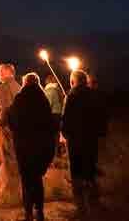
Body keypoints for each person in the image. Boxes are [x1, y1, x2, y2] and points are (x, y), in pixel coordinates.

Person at [8, 73, 56, 221]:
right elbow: (49, 123)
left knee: (26, 179)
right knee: (36, 178)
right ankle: (39, 210)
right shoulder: (43, 100)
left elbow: (12, 121)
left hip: (23, 146)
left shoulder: (19, 99)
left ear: (25, 83)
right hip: (39, 146)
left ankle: (28, 211)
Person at [62, 70, 100, 215]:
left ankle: (80, 207)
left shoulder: (71, 96)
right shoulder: (94, 95)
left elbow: (66, 119)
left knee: (76, 172)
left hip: (76, 140)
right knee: (90, 169)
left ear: (73, 81)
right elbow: (101, 115)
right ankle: (94, 201)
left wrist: (64, 134)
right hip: (91, 139)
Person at [0, 63, 21, 204]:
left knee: (5, 161)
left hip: (6, 128)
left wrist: (0, 121)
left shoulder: (4, 87)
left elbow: (5, 108)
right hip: (17, 128)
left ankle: (8, 194)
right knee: (15, 159)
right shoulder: (18, 86)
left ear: (6, 72)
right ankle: (18, 191)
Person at [87, 74, 109, 177]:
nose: (88, 84)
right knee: (91, 149)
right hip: (93, 127)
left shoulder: (94, 95)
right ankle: (91, 169)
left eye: (89, 82)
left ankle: (91, 170)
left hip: (92, 127)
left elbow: (102, 112)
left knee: (91, 149)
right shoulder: (93, 94)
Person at [44, 75, 65, 163]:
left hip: (52, 115)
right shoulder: (58, 90)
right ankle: (57, 153)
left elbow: (48, 105)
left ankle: (53, 156)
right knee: (56, 136)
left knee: (51, 137)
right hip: (58, 115)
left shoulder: (50, 90)